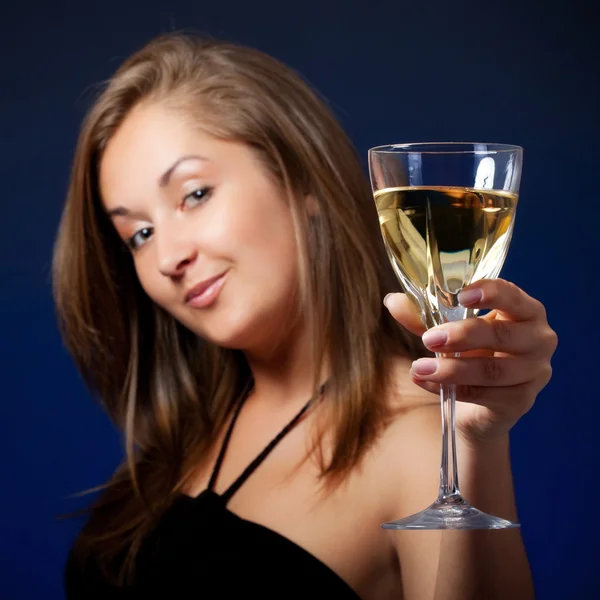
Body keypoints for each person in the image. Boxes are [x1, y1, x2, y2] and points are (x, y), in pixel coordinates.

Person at [54, 33, 557, 599]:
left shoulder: (418, 438)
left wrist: (478, 447)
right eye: (139, 234)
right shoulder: (190, 430)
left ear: (302, 179)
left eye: (194, 195)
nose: (169, 257)